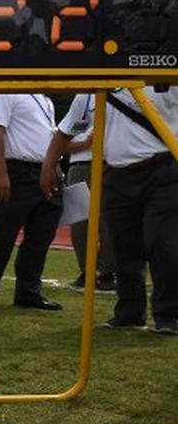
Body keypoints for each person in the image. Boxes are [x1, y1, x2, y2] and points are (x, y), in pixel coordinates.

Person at [41, 89, 178, 335]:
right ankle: (129, 312)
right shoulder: (94, 87)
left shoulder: (164, 78)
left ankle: (168, 314)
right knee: (122, 245)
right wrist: (48, 165)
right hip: (117, 172)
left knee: (162, 242)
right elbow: (66, 130)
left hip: (163, 168)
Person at [0, 93, 64, 310]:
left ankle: (28, 292)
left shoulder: (45, 98)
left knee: (41, 236)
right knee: (2, 234)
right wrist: (1, 172)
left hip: (46, 169)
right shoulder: (4, 92)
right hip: (16, 169)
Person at [61, 102, 116, 292]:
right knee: (79, 223)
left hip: (109, 162)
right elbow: (64, 142)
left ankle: (107, 273)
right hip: (81, 165)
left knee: (108, 222)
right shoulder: (83, 100)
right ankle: (88, 272)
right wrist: (85, 143)